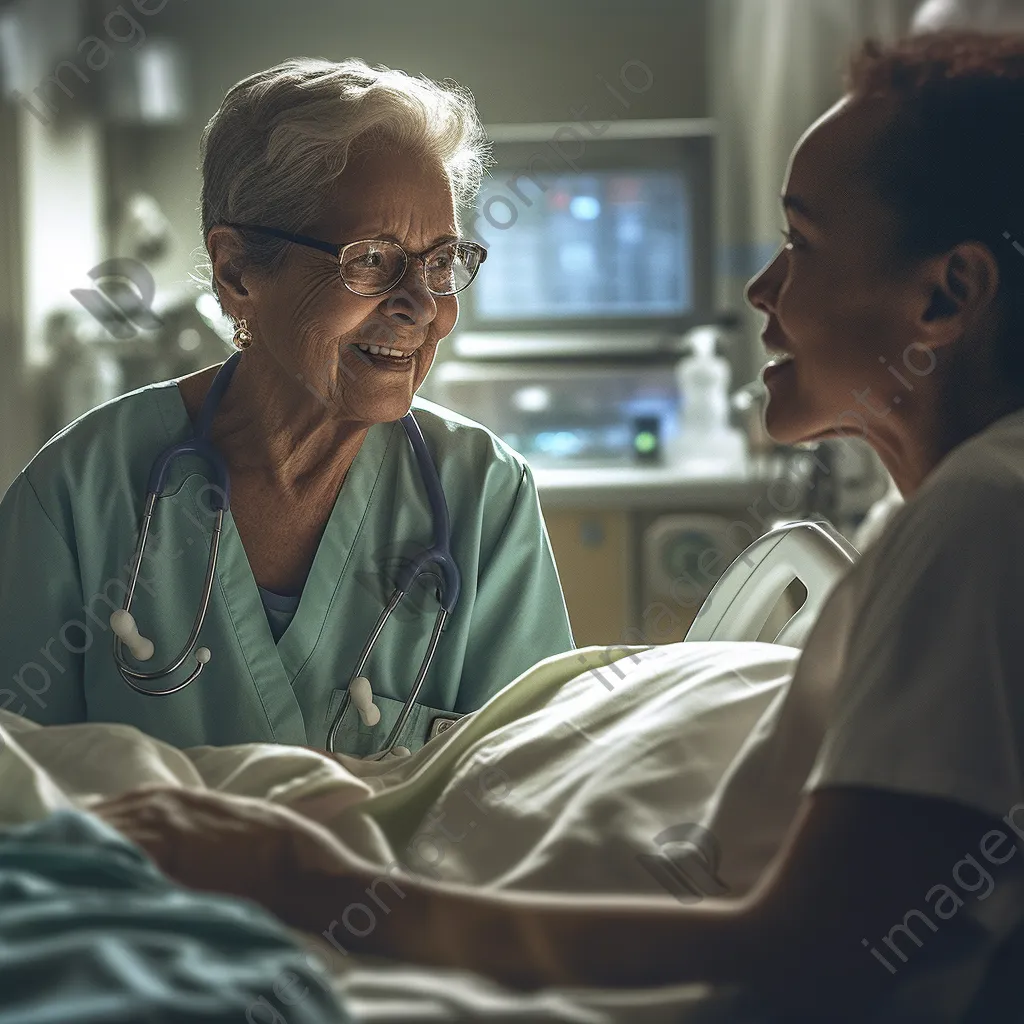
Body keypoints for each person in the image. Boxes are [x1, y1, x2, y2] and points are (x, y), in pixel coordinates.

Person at [91, 31, 1024, 1022]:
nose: (760, 291)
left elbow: (810, 949)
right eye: (372, 260)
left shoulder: (981, 514)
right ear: (237, 274)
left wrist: (315, 885)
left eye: (800, 245)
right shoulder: (957, 509)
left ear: (946, 293)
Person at [0, 58, 574, 757]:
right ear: (238, 272)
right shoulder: (78, 493)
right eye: (370, 260)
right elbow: (20, 807)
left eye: (439, 262)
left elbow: (529, 788)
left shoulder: (485, 496)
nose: (422, 306)